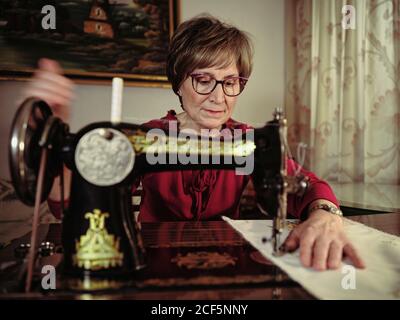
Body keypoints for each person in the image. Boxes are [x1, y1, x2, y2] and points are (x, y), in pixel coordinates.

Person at [20, 15, 365, 271]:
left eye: (231, 82)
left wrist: (324, 216)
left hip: (227, 267)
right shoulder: (147, 137)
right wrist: (56, 139)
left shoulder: (248, 140)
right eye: (204, 80)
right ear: (178, 82)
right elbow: (66, 206)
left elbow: (306, 185)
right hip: (152, 266)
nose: (219, 97)